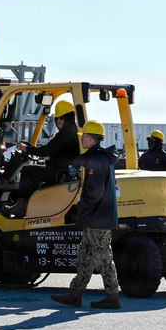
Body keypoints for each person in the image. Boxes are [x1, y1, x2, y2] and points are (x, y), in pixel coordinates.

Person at [51, 120, 122, 310]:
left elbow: (95, 193)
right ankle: (75, 294)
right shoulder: (98, 158)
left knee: (104, 259)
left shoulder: (97, 161)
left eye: (84, 137)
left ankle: (113, 296)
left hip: (98, 219)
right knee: (85, 257)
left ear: (91, 139)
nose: (81, 140)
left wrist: (81, 206)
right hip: (95, 219)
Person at [16, 99, 80, 188]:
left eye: (62, 118)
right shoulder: (74, 132)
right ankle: (34, 195)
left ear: (69, 118)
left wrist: (25, 148)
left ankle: (22, 200)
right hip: (64, 171)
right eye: (57, 118)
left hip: (58, 172)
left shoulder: (64, 135)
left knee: (27, 170)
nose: (59, 121)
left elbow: (45, 151)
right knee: (37, 173)